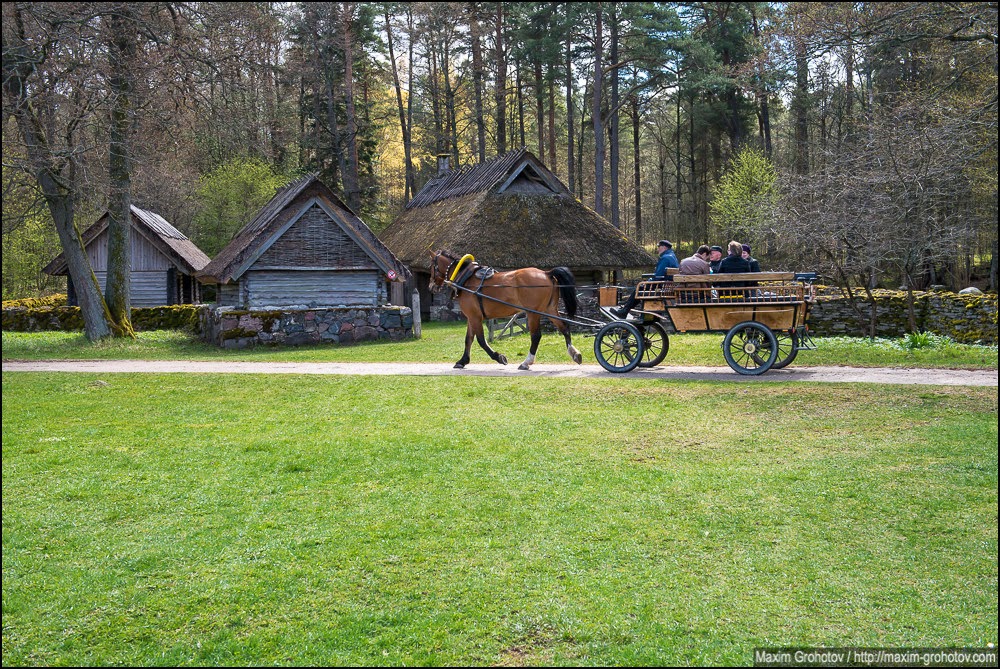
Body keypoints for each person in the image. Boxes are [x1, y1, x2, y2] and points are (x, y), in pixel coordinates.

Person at [607, 240, 678, 319]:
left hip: (661, 285)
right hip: (667, 285)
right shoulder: (672, 256)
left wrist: (649, 281)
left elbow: (658, 276)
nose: (657, 249)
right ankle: (626, 310)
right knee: (641, 287)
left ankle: (624, 311)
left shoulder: (665, 258)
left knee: (638, 288)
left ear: (664, 247)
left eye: (659, 247)